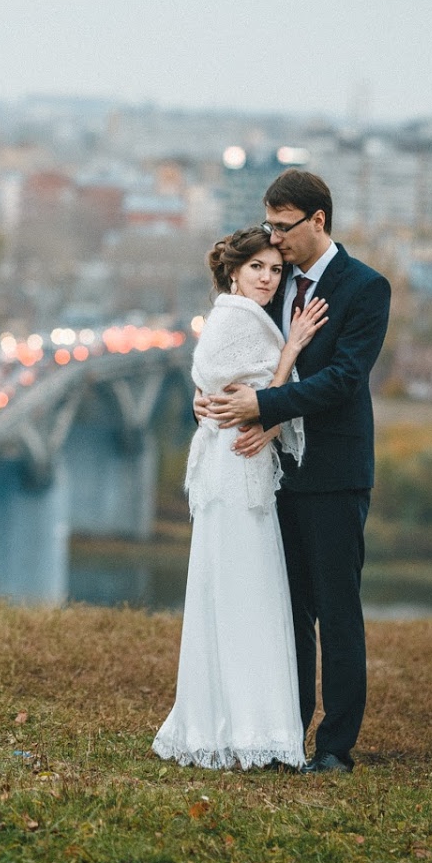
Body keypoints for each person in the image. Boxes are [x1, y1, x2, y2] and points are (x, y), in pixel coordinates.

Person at [197, 168, 391, 774]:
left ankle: (335, 746)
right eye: (268, 228)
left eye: (282, 229)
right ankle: (286, 734)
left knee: (336, 609)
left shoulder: (366, 288)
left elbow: (343, 380)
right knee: (289, 611)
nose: (273, 241)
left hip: (334, 472)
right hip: (273, 471)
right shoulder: (272, 282)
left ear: (318, 222)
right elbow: (239, 360)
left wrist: (264, 407)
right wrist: (208, 402)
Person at [152, 226, 327, 771]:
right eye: (258, 269)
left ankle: (239, 725)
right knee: (243, 589)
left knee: (241, 588)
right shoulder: (237, 317)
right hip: (236, 466)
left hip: (239, 460)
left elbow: (248, 396)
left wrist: (265, 406)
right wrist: (292, 348)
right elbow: (263, 394)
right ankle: (248, 728)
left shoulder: (242, 317)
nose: (270, 280)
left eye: (276, 271)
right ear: (234, 271)